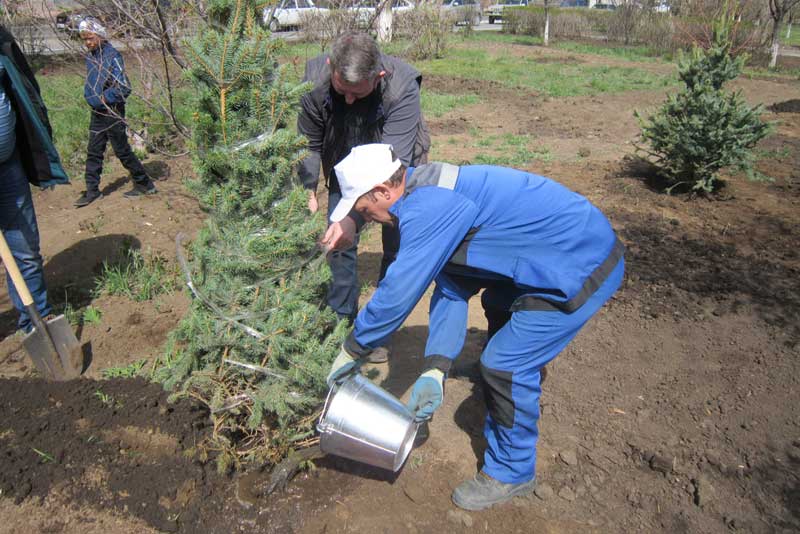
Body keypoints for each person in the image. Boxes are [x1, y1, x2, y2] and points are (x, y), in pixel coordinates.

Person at [324, 144, 624, 511]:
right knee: (496, 302)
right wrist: (436, 367)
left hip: (581, 262)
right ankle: (501, 385)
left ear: (383, 191)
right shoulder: (424, 192)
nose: (366, 217)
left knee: (505, 363)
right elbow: (451, 286)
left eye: (365, 209)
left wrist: (353, 348)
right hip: (551, 250)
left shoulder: (428, 209)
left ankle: (513, 472)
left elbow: (398, 290)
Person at [297, 31, 430, 361]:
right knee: (338, 242)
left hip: (394, 165)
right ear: (331, 67)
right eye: (342, 90)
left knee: (397, 241)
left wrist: (352, 219)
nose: (350, 100)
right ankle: (343, 321)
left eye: (359, 92)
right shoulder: (314, 82)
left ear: (379, 75)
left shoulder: (401, 88)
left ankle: (378, 329)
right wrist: (308, 190)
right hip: (344, 156)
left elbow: (390, 169)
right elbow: (310, 145)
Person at [0, 25, 70, 332]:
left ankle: (35, 321)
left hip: (8, 163)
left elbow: (26, 92)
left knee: (26, 249)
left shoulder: (1, 40)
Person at [74, 18, 156, 208]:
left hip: (112, 111)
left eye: (90, 38)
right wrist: (93, 99)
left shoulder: (112, 56)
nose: (87, 42)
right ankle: (92, 190)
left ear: (100, 36)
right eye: (84, 39)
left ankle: (145, 184)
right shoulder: (91, 57)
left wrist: (104, 98)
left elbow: (124, 87)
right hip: (97, 112)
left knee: (122, 150)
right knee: (94, 151)